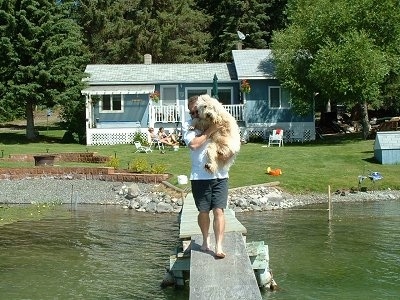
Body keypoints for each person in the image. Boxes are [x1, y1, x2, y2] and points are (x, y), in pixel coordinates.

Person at [183, 95, 228, 259]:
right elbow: (194, 144)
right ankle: (205, 240)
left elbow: (228, 131)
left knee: (219, 210)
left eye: (197, 110)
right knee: (203, 211)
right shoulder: (188, 125)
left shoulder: (215, 118)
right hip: (199, 176)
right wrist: (210, 131)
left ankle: (219, 246)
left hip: (220, 174)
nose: (194, 113)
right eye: (192, 111)